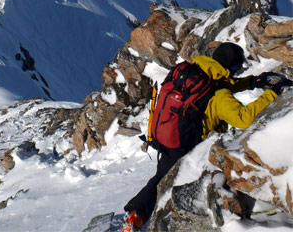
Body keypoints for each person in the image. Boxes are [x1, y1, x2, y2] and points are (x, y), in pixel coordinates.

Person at [122, 42, 292, 232]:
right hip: (189, 148)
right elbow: (243, 118)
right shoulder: (218, 95)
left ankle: (135, 216)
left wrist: (252, 82)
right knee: (173, 188)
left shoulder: (197, 71)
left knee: (160, 180)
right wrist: (272, 93)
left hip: (167, 137)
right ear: (233, 68)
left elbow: (220, 82)